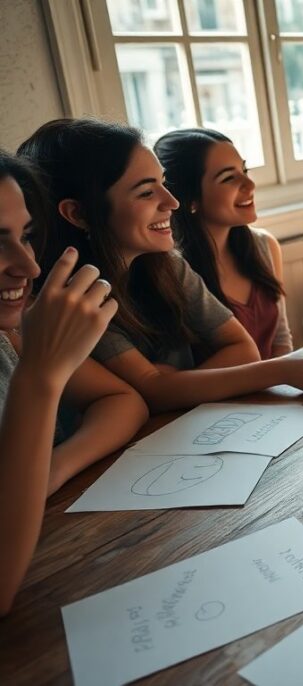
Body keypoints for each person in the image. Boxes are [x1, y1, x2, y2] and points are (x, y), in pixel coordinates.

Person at [18, 119, 303, 413]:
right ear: (78, 213)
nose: (172, 202)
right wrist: (283, 370)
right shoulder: (74, 298)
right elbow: (152, 390)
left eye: (163, 183)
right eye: (146, 193)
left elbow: (243, 349)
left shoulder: (168, 266)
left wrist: (174, 383)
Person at [0, 151, 147, 615]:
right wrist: (39, 378)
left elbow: (123, 399)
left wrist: (51, 469)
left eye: (26, 237)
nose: (29, 266)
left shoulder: (11, 332)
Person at [155, 128, 292, 358]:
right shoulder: (173, 273)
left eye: (244, 170)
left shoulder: (265, 245)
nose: (250, 185)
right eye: (229, 178)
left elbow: (281, 340)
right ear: (190, 199)